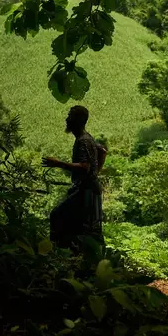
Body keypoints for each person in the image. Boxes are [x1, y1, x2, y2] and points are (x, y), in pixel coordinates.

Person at [42, 105, 107, 248]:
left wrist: (58, 163)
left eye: (70, 116)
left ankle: (58, 252)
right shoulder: (86, 137)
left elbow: (84, 167)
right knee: (87, 228)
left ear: (77, 120)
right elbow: (102, 151)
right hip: (89, 189)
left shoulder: (83, 140)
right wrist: (95, 173)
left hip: (85, 191)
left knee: (58, 216)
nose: (67, 119)